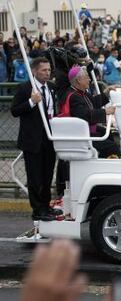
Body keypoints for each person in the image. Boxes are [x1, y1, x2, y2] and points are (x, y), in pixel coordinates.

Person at [11, 57, 63, 221]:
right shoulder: (25, 88)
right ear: (34, 71)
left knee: (47, 175)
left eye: (49, 70)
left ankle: (46, 206)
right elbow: (15, 110)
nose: (47, 73)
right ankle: (37, 209)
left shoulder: (52, 87)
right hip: (32, 140)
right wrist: (31, 102)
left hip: (49, 138)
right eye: (43, 70)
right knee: (35, 177)